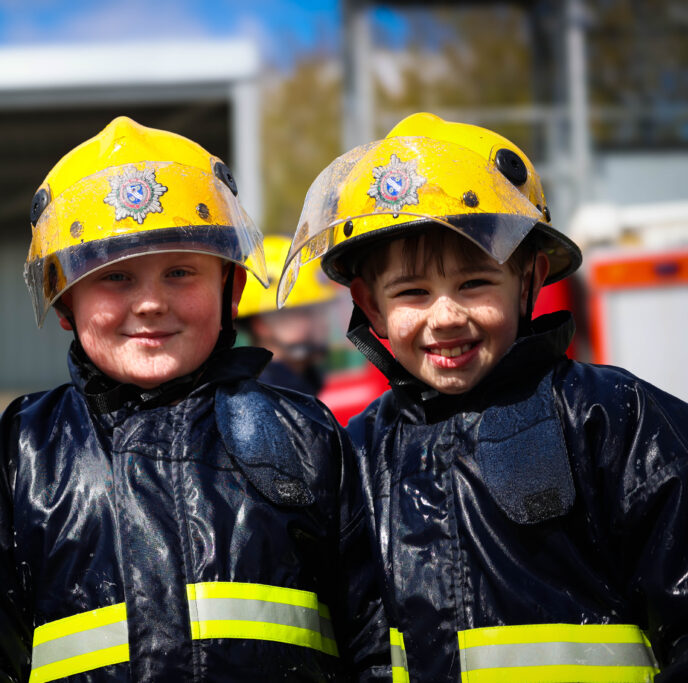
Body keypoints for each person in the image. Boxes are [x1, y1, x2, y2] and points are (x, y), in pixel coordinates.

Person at [0, 116, 386, 682]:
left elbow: (375, 641)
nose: (151, 302)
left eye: (180, 272)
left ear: (232, 289)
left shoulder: (306, 436)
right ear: (63, 300)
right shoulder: (17, 453)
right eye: (116, 278)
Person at [277, 111, 688, 682]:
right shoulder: (360, 453)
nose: (446, 316)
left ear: (529, 281)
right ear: (371, 307)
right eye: (412, 292)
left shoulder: (614, 419)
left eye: (474, 283)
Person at [236, 234, 337, 395]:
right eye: (305, 312)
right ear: (261, 323)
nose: (319, 322)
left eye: (320, 310)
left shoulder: (302, 385)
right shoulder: (255, 398)